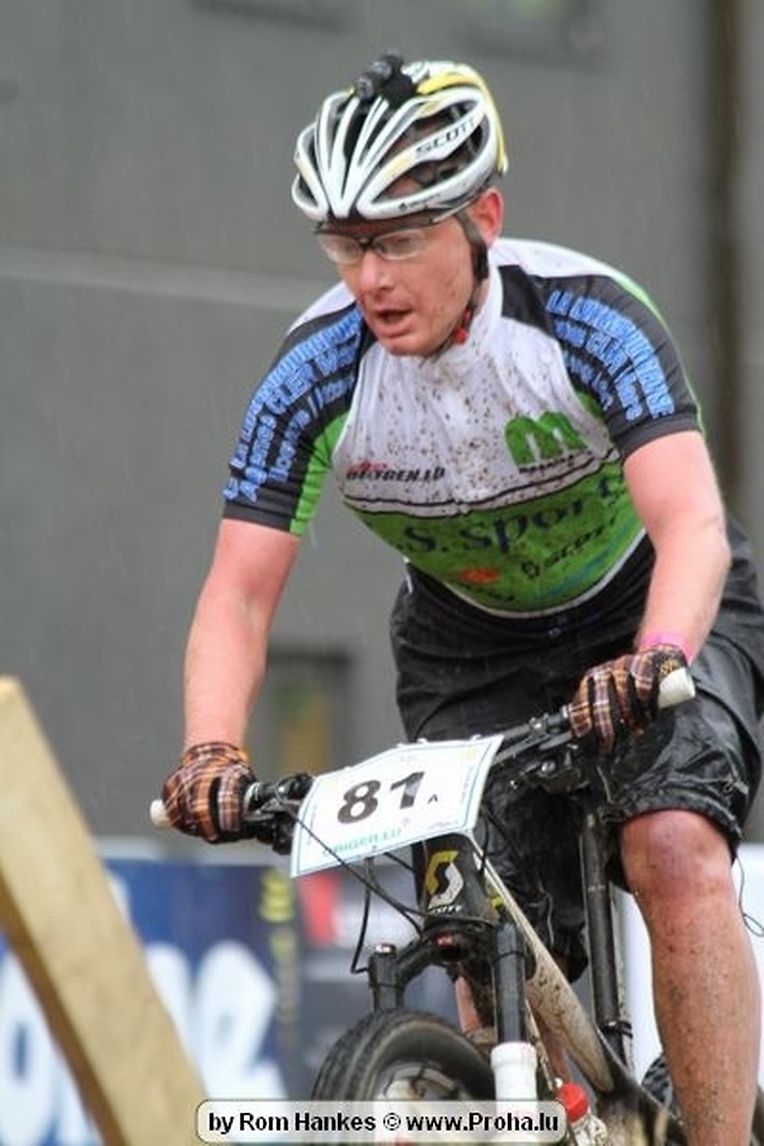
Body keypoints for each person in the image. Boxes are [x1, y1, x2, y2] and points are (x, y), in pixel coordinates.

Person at [161, 53, 764, 1143]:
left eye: (397, 240)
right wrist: (211, 750)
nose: (369, 278)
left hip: (650, 596)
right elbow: (238, 595)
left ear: (482, 217)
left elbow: (692, 524)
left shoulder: (584, 319)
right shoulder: (313, 377)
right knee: (476, 919)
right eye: (344, 244)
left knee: (671, 843)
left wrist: (655, 654)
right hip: (468, 641)